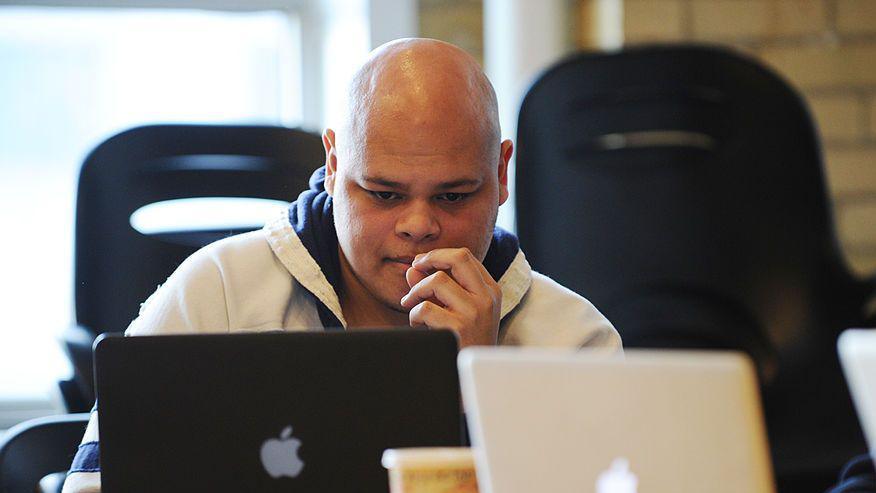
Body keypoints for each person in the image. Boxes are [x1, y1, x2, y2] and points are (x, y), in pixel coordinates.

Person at [61, 38, 621, 493]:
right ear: (332, 166)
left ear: (501, 175)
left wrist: (479, 395)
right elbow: (90, 488)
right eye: (383, 194)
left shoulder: (573, 342)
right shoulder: (216, 295)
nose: (418, 225)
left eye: (453, 196)